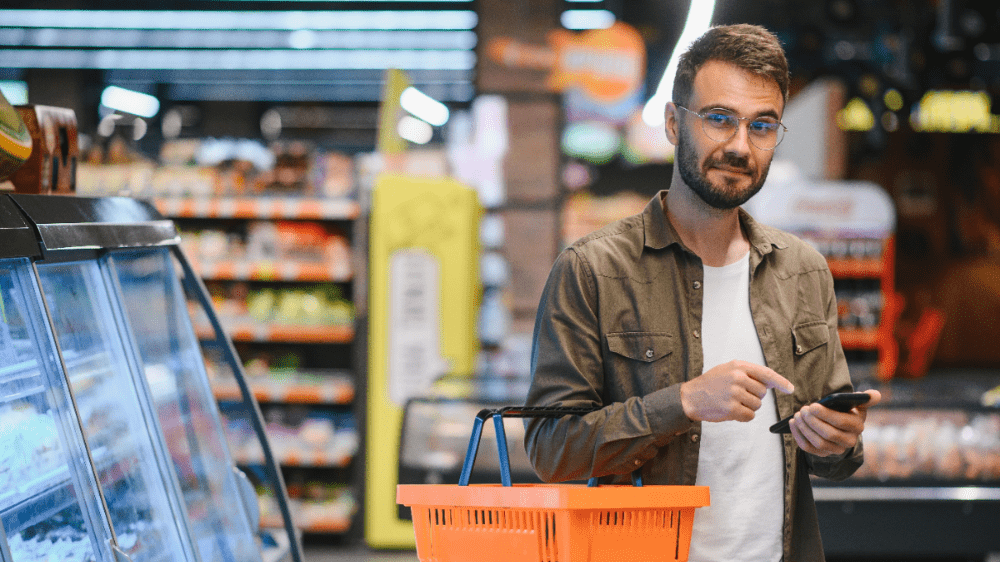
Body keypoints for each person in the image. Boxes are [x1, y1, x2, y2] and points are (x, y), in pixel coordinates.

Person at [523, 23, 881, 562]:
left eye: (762, 126)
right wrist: (684, 402)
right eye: (719, 119)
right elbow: (551, 450)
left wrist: (838, 439)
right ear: (674, 123)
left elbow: (833, 459)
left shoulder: (802, 271)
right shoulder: (592, 270)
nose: (740, 146)